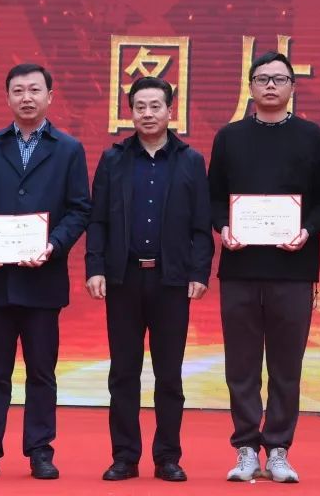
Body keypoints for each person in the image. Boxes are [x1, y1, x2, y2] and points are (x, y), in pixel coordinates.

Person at [207, 51, 320, 483]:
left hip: (293, 270)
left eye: (279, 79)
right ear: (249, 86)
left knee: (287, 367)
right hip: (240, 269)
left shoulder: (312, 137)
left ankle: (279, 448)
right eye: (262, 78)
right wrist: (223, 227)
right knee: (241, 366)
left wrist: (307, 230)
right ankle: (246, 447)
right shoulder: (229, 138)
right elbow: (212, 197)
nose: (270, 85)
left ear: (292, 87)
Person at [0, 63, 91, 480]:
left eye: (34, 90)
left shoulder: (68, 149)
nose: (26, 97)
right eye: (18, 90)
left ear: (50, 96)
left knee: (41, 372)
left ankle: (40, 451)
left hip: (43, 279)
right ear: (8, 97)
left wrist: (53, 245)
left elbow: (80, 209)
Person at [84, 76, 214, 483]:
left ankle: (167, 457)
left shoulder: (190, 160)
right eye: (139, 106)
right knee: (123, 373)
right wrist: (95, 267)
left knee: (169, 375)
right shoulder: (114, 159)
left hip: (170, 280)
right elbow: (98, 220)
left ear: (170, 110)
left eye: (155, 106)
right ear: (130, 112)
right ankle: (124, 457)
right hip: (123, 279)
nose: (147, 113)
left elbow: (201, 225)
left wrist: (199, 271)